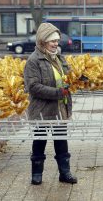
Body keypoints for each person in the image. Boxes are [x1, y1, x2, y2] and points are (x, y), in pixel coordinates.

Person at [24, 22, 77, 185]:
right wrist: (58, 92)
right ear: (42, 41)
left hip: (59, 108)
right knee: (40, 141)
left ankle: (65, 173)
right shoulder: (34, 60)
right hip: (42, 110)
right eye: (52, 41)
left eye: (57, 40)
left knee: (61, 141)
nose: (56, 44)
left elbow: (68, 76)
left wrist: (79, 78)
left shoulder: (59, 58)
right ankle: (37, 174)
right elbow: (33, 87)